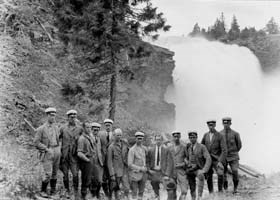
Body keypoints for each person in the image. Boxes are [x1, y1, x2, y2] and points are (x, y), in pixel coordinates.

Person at [34, 107, 61, 197]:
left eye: (54, 115)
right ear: (47, 116)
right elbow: (36, 142)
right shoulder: (41, 129)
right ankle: (43, 191)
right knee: (48, 173)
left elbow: (58, 139)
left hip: (56, 151)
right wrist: (46, 149)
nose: (53, 117)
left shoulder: (56, 128)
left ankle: (53, 191)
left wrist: (58, 149)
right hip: (47, 152)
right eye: (51, 115)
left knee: (55, 172)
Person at [59, 109, 83, 198]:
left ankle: (76, 190)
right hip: (64, 154)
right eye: (71, 117)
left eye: (74, 116)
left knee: (75, 174)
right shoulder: (63, 128)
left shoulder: (80, 128)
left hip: (74, 155)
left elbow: (84, 140)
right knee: (65, 174)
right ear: (68, 117)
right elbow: (56, 139)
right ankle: (67, 190)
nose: (73, 118)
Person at [201, 120, 227, 193]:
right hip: (208, 160)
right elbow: (202, 146)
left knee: (220, 174)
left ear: (215, 125)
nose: (211, 126)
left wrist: (220, 161)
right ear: (208, 126)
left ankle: (220, 191)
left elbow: (224, 150)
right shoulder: (205, 135)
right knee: (209, 176)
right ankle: (211, 192)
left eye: (212, 125)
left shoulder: (220, 135)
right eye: (209, 125)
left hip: (217, 159)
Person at [185, 131, 211, 200]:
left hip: (199, 168)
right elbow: (186, 157)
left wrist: (204, 170)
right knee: (191, 182)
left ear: (196, 138)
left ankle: (199, 196)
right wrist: (188, 163)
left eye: (193, 137)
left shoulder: (202, 147)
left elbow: (208, 158)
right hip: (191, 169)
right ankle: (193, 197)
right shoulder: (188, 147)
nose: (192, 139)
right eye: (190, 137)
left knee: (200, 175)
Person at [220, 117, 242, 194]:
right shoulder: (219, 134)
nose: (226, 125)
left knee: (235, 171)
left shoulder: (235, 134)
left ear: (230, 124)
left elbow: (239, 145)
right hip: (223, 157)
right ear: (222, 124)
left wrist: (233, 152)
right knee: (223, 173)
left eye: (227, 123)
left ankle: (235, 189)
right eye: (224, 123)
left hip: (233, 156)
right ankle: (225, 189)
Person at [107, 128, 130, 200]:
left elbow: (128, 154)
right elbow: (109, 162)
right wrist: (112, 174)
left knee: (126, 187)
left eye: (120, 135)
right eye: (117, 135)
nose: (119, 137)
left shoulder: (125, 144)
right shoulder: (111, 147)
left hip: (124, 170)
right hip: (116, 172)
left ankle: (126, 197)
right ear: (114, 135)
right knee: (116, 189)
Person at [165, 132, 188, 200]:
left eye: (178, 136)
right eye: (175, 137)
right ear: (172, 137)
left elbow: (188, 159)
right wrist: (167, 174)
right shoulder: (169, 148)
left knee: (184, 191)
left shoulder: (184, 147)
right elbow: (166, 160)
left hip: (181, 172)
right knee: (171, 192)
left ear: (180, 137)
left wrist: (182, 164)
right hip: (171, 172)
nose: (176, 138)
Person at [77, 122, 95, 200]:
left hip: (92, 159)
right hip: (86, 161)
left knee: (92, 179)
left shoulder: (90, 137)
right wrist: (87, 160)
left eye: (90, 127)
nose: (89, 129)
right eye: (87, 127)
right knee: (85, 180)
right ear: (83, 128)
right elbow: (79, 153)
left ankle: (90, 196)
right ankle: (83, 196)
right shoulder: (81, 139)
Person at [147, 134, 168, 200]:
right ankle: (157, 197)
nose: (158, 141)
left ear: (162, 141)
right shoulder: (151, 150)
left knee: (168, 186)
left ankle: (166, 197)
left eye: (159, 140)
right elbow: (147, 161)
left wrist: (167, 172)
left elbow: (168, 161)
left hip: (162, 172)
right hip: (154, 171)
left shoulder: (166, 150)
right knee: (154, 185)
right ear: (155, 140)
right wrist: (149, 170)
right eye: (157, 140)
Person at [128, 131, 148, 200]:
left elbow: (146, 159)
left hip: (143, 175)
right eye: (138, 138)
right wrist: (140, 168)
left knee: (141, 192)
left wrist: (146, 167)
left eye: (141, 138)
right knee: (134, 192)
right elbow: (130, 164)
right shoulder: (132, 150)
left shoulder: (144, 149)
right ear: (135, 139)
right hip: (135, 175)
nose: (140, 140)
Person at [99, 118, 115, 199]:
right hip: (103, 160)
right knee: (103, 178)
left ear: (112, 126)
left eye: (109, 125)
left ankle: (111, 194)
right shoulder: (100, 134)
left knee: (111, 178)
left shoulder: (115, 135)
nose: (108, 127)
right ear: (104, 126)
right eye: (106, 126)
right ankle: (106, 194)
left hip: (112, 161)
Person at [90, 122, 104, 199]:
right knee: (92, 179)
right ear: (91, 130)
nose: (96, 132)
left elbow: (100, 150)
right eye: (94, 130)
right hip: (91, 162)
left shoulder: (98, 138)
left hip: (98, 162)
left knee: (99, 180)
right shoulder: (88, 138)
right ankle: (93, 194)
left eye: (97, 130)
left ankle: (97, 193)